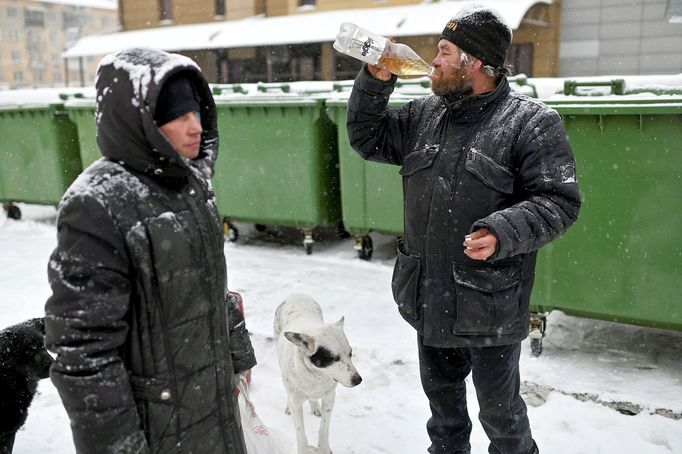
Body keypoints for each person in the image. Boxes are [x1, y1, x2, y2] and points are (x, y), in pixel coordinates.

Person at [346, 6, 581, 454]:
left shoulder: (531, 123)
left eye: (444, 52)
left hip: (489, 304)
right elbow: (367, 137)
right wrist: (375, 83)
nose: (434, 61)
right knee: (445, 420)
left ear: (472, 62)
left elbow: (559, 200)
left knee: (502, 417)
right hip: (429, 298)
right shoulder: (423, 116)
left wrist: (503, 230)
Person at [44, 47, 256, 454]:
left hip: (211, 405)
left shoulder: (191, 184)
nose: (195, 127)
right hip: (156, 426)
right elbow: (84, 353)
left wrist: (237, 353)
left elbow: (208, 285)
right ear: (140, 122)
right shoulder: (98, 203)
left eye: (197, 112)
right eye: (178, 117)